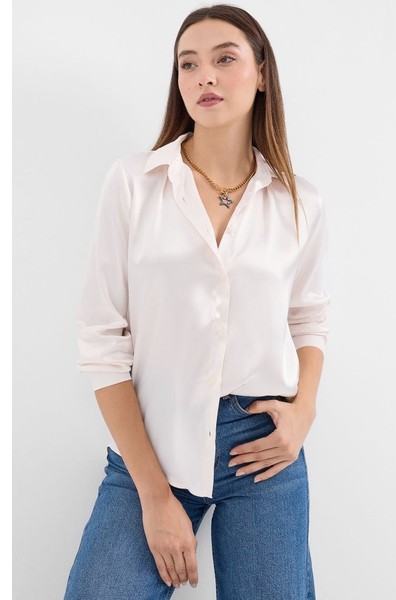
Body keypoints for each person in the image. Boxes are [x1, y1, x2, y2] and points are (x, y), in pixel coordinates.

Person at [64, 4, 330, 599]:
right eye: (188, 64)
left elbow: (308, 316)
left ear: (262, 74)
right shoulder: (134, 183)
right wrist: (155, 496)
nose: (204, 75)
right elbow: (103, 340)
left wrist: (304, 412)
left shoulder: (299, 201)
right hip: (151, 444)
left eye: (224, 59)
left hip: (261, 448)